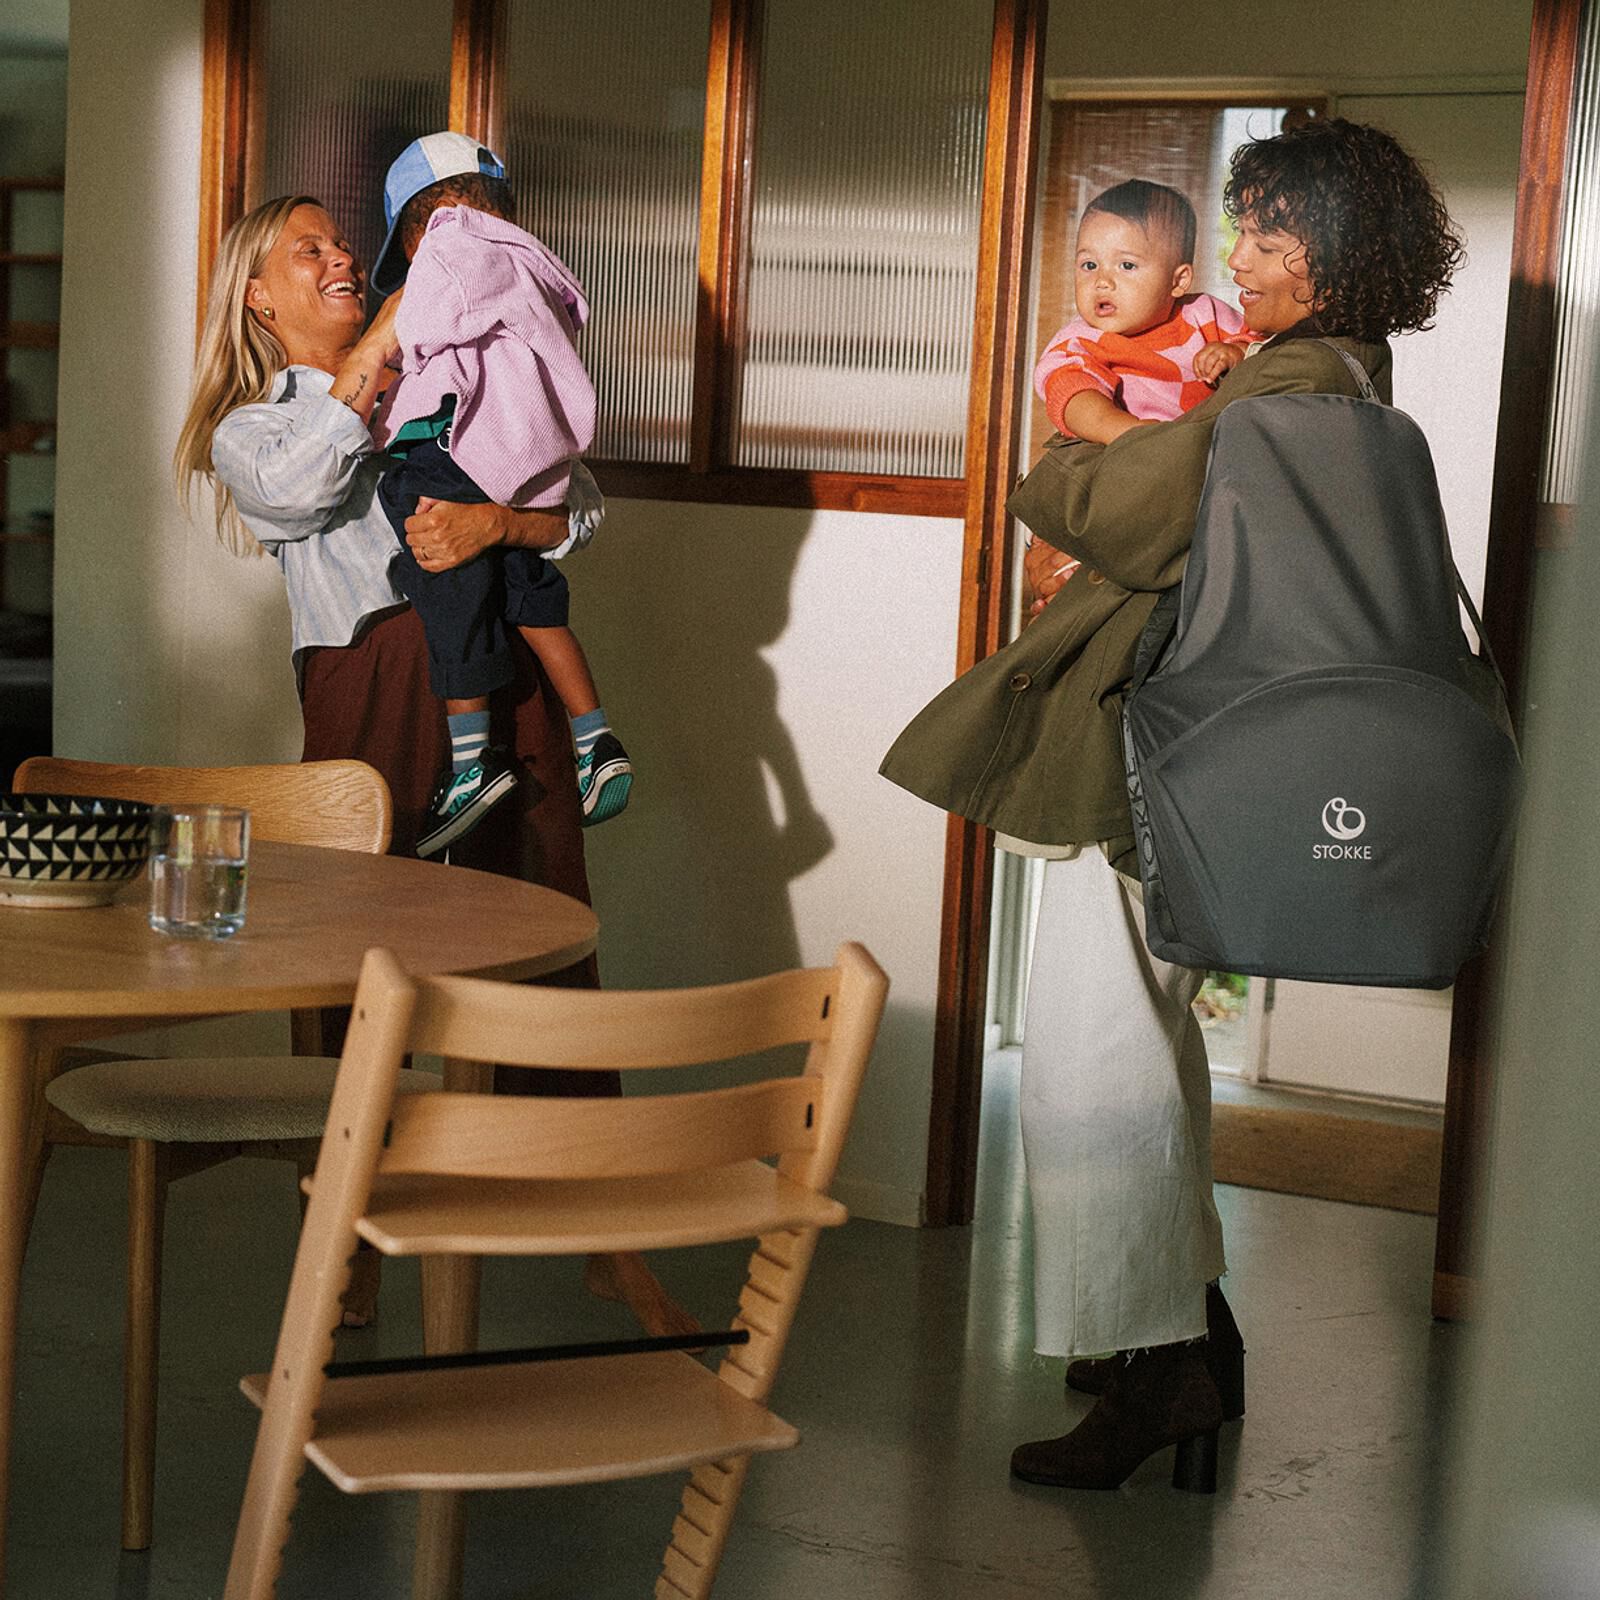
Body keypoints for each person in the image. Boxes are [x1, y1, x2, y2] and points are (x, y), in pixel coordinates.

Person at [880, 117, 1462, 1489]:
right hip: (1200, 749)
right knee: (1143, 1045)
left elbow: (1126, 508)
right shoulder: (1334, 378)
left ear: (1335, 255)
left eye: (1268, 234)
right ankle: (1188, 1335)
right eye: (1243, 228)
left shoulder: (1286, 385)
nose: (1241, 258)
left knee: (1096, 1065)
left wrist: (1058, 454)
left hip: (1147, 751)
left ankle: (1163, 1371)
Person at [172, 193, 692, 1339]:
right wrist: (378, 354)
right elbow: (304, 487)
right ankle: (345, 1244)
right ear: (256, 296)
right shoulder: (253, 426)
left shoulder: (451, 366)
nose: (342, 257)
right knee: (361, 982)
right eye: (308, 250)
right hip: (367, 689)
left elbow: (575, 510)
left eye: (343, 243)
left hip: (496, 685)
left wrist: (490, 530)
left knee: (549, 941)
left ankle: (602, 1233)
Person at [368, 134, 632, 857]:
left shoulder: (452, 242)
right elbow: (571, 508)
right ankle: (596, 737)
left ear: (424, 225)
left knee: (447, 578)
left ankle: (470, 763)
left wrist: (399, 340)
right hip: (515, 470)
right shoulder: (526, 265)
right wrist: (506, 523)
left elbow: (421, 323)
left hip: (450, 459)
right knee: (532, 592)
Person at [1033, 178, 1255, 450]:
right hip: (1128, 457)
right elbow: (1070, 394)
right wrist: (1125, 431)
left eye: (1126, 265)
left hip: (1206, 455)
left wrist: (1239, 351)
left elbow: (1266, 348)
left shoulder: (1205, 315)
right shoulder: (1080, 341)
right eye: (1089, 264)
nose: (1102, 281)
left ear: (1178, 281)